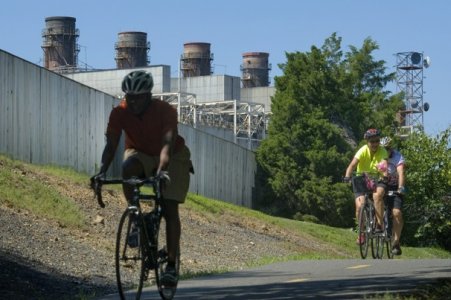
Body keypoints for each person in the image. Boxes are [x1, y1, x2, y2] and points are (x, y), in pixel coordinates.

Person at [91, 70, 193, 286]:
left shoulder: (165, 110)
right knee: (128, 167)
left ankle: (172, 267)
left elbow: (167, 143)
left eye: (139, 97)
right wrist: (101, 171)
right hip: (141, 153)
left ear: (148, 95)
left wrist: (161, 171)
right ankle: (136, 217)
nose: (134, 101)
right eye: (129, 97)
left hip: (173, 155)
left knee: (169, 207)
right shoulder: (119, 113)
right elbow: (111, 145)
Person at [344, 128, 388, 245]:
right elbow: (352, 165)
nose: (374, 144)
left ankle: (379, 224)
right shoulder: (362, 150)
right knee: (359, 206)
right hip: (361, 178)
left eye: (377, 141)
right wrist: (347, 176)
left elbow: (384, 166)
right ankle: (362, 232)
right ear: (367, 142)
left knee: (377, 195)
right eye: (372, 141)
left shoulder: (383, 151)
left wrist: (384, 175)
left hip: (377, 178)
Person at [380, 136, 406, 255]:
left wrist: (400, 188)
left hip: (395, 188)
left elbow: (401, 173)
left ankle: (396, 242)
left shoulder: (398, 156)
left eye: (388, 148)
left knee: (396, 213)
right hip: (383, 186)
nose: (386, 150)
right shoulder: (379, 155)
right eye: (383, 148)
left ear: (391, 148)